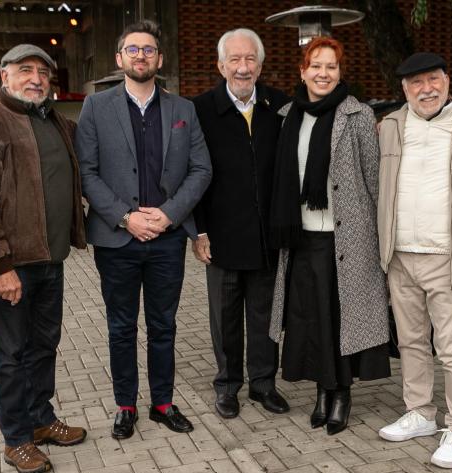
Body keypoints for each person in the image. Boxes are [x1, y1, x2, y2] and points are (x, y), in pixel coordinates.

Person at [76, 20, 211, 440]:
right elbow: (87, 172)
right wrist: (126, 217)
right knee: (121, 327)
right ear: (120, 58)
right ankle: (126, 405)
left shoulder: (183, 110)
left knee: (163, 326)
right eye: (132, 49)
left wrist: (169, 215)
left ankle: (163, 403)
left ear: (160, 59)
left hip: (167, 240)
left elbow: (201, 169)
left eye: (148, 49)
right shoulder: (95, 107)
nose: (141, 55)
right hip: (117, 240)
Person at [0, 44, 88, 473]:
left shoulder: (56, 122)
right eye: (25, 70)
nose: (36, 78)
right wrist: (0, 266)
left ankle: (41, 419)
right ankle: (16, 439)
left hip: (52, 259)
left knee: (44, 346)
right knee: (10, 354)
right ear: (4, 75)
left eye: (43, 72)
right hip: (13, 266)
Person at [268, 36, 390, 436]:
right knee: (311, 318)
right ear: (303, 71)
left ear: (340, 72)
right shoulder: (287, 116)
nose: (323, 73)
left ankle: (342, 395)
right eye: (316, 66)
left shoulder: (357, 115)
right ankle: (323, 390)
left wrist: (380, 240)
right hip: (301, 237)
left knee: (341, 319)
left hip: (347, 239)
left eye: (331, 67)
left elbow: (374, 180)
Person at [375, 52, 452, 468]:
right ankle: (420, 412)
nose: (427, 89)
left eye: (433, 79)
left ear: (447, 81)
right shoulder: (391, 126)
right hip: (401, 255)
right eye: (416, 83)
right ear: (404, 89)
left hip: (446, 255)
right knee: (411, 342)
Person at [192, 28, 290, 419]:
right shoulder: (200, 110)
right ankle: (228, 386)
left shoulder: (280, 107)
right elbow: (192, 175)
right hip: (221, 236)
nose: (243, 67)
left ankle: (263, 384)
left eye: (250, 59)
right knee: (226, 317)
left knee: (266, 317)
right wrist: (198, 231)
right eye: (234, 59)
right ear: (221, 66)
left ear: (260, 66)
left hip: (267, 237)